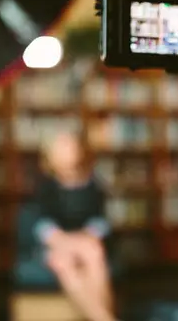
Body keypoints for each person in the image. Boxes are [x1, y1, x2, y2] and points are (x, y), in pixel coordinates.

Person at [33, 131, 115, 321]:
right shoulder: (46, 186)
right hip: (60, 242)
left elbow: (101, 220)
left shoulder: (93, 183)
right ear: (50, 155)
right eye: (61, 147)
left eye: (70, 146)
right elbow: (42, 223)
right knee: (64, 263)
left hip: (87, 240)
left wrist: (87, 235)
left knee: (94, 255)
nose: (67, 151)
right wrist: (62, 239)